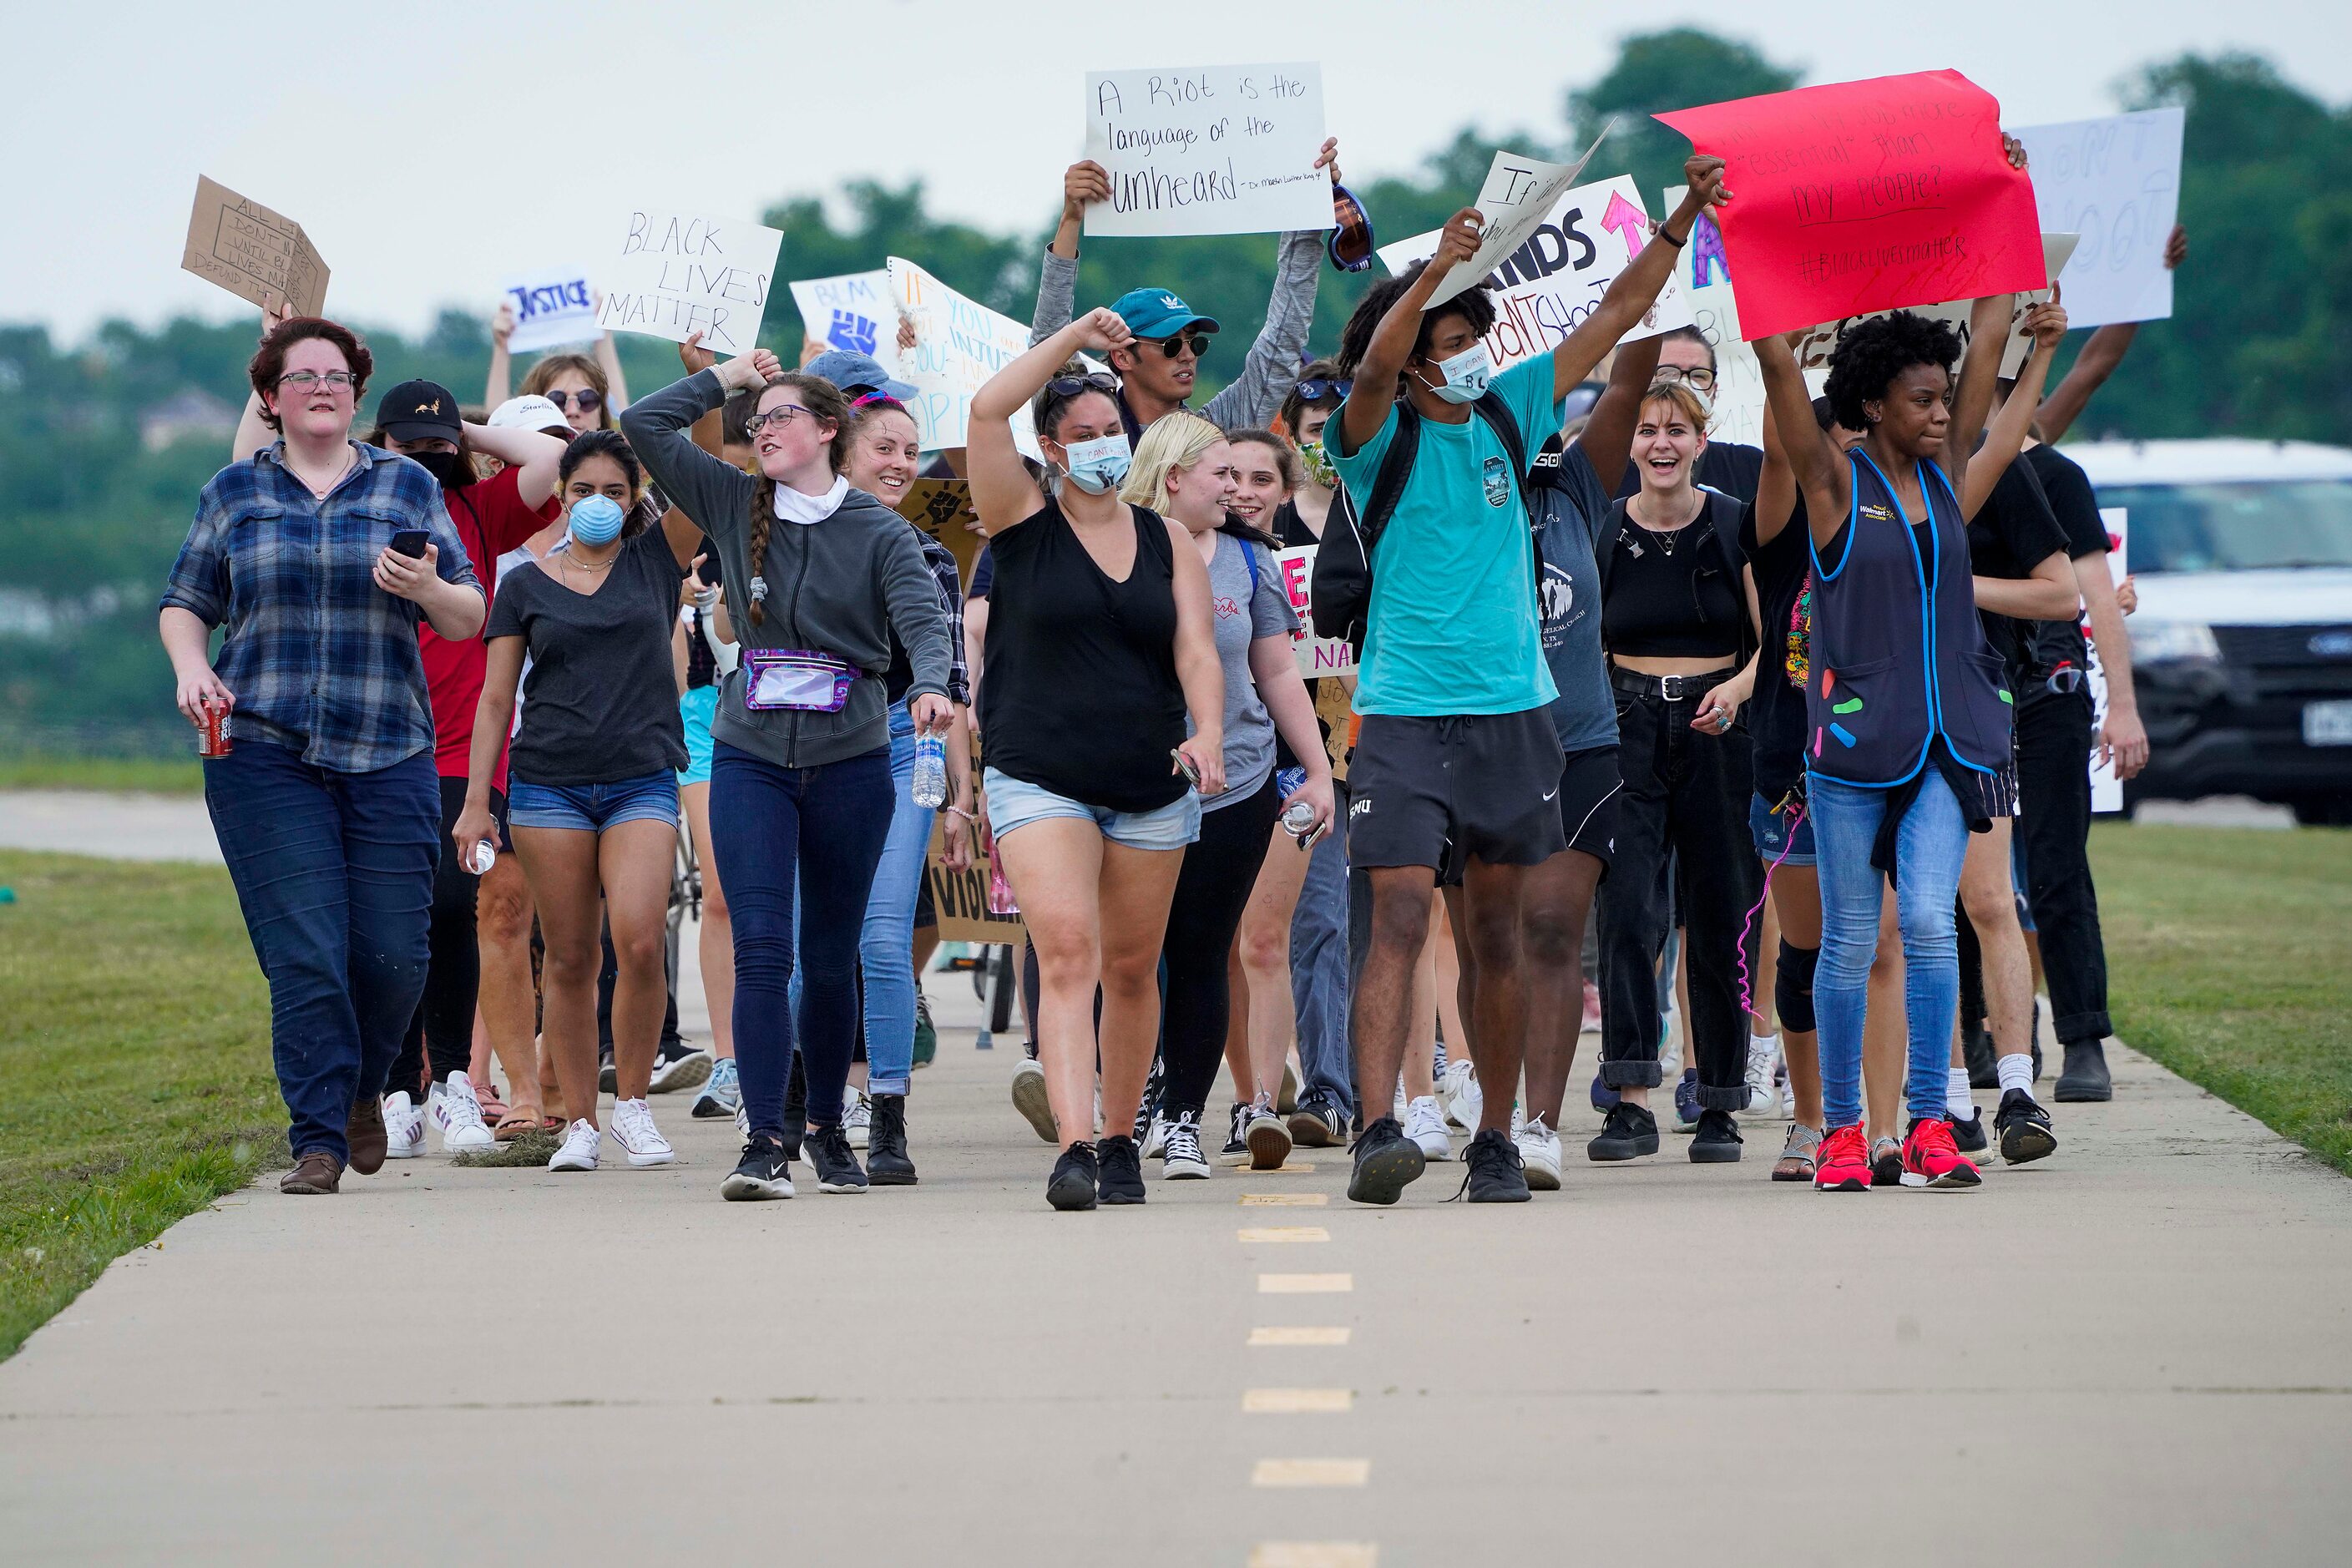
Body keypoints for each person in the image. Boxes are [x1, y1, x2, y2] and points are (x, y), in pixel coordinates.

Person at [1323, 154, 1730, 1206]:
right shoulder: (1375, 437)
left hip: (1516, 716)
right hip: (1407, 715)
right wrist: (1433, 275)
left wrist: (1685, 215)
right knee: (1402, 918)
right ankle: (1378, 1132)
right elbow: (1369, 371)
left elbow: (1626, 310)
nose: (1461, 357)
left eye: (1470, 340)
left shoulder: (1514, 409)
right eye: (1442, 345)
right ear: (1412, 356)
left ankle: (1498, 1139)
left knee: (1497, 934)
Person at [161, 314, 486, 1196]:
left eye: (335, 376)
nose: (319, 388)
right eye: (300, 376)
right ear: (269, 398)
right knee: (305, 954)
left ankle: (362, 1087)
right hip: (262, 753)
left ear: (355, 393)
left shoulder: (406, 487)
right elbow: (187, 601)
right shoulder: (234, 492)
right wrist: (194, 667)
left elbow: (469, 613)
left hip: (388, 752)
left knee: (393, 957)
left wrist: (427, 587)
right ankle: (318, 1139)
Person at [1752, 263, 2060, 1192]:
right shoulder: (1831, 483)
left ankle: (1930, 1123)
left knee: (1928, 921)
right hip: (1852, 746)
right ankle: (1844, 1131)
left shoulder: (1948, 473)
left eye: (1942, 397)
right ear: (1874, 405)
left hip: (1945, 742)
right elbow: (1774, 368)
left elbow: (1989, 336)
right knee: (1851, 938)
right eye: (1920, 398)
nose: (1939, 411)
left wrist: (2006, 215)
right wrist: (1740, 241)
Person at [621, 356, 954, 1203]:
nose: (762, 428)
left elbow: (923, 620)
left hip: (850, 762)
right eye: (754, 418)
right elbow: (644, 429)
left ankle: (830, 1132)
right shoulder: (737, 503)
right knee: (764, 948)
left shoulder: (880, 530)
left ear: (828, 430)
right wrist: (726, 377)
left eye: (780, 416)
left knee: (833, 955)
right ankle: (764, 1140)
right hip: (750, 759)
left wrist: (931, 688)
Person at [965, 311, 1227, 1210]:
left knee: (1130, 966)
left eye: (1111, 431)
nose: (1102, 447)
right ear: (1051, 448)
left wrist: (1208, 732)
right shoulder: (1019, 524)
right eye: (1082, 436)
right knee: (1068, 952)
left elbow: (1196, 650)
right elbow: (986, 406)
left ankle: (1122, 1138)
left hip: (1151, 782)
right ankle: (1074, 1144)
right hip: (1039, 772)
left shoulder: (1167, 543)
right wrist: (1075, 334)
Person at [455, 431, 703, 1173]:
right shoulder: (524, 584)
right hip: (547, 787)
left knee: (636, 940)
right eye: (584, 490)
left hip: (641, 778)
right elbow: (497, 699)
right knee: (567, 957)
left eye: (616, 492)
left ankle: (632, 1106)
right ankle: (581, 1125)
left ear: (635, 501)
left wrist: (709, 387)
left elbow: (703, 475)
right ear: (560, 497)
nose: (600, 504)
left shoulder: (655, 561)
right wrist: (476, 803)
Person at [1127, 416, 1333, 1180]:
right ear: (1174, 476)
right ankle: (1133, 1100)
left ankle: (1183, 1117)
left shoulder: (1250, 559)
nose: (1235, 487)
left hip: (1237, 782)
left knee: (1203, 953)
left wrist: (1312, 768)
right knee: (1133, 956)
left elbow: (1277, 672)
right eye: (1220, 472)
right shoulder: (1119, 547)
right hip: (1134, 786)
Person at [789, 357, 977, 1184]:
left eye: (912, 449)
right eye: (884, 448)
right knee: (806, 944)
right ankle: (802, 1110)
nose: (902, 462)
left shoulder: (934, 558)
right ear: (841, 451)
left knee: (881, 932)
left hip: (901, 748)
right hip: (799, 751)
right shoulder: (783, 537)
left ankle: (890, 1119)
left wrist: (956, 783)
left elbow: (951, 685)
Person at [1586, 377, 1764, 1166]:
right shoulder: (1604, 528)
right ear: (1631, 443)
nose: (1660, 443)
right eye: (1648, 429)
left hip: (1716, 722)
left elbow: (1777, 639)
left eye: (1676, 430)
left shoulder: (1733, 524)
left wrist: (1736, 687)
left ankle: (1719, 1099)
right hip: (1626, 722)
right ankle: (1629, 1095)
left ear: (1700, 439)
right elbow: (1579, 635)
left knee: (1720, 915)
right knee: (1628, 912)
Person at [1237, 375, 1359, 1147]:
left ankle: (1329, 1089)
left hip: (1332, 756)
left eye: (1335, 427)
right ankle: (1242, 1093)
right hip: (1237, 760)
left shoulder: (1369, 525)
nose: (1323, 442)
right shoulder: (1235, 541)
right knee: (1244, 939)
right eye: (1311, 427)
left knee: (1322, 926)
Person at [1030, 142, 1340, 432]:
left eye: (1195, 343)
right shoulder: (1084, 433)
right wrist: (1071, 219)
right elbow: (1045, 355)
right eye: (1171, 346)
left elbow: (1282, 341)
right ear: (1123, 357)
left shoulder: (1215, 430)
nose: (1188, 355)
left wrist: (1307, 208)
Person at [1614, 325, 1765, 502]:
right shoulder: (1610, 476)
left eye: (1699, 375)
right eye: (1667, 372)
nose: (1683, 384)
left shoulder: (1750, 467)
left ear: (1714, 391)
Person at [486, 295, 630, 435]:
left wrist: (603, 334)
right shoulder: (520, 459)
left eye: (587, 400)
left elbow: (623, 415)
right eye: (557, 401)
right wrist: (501, 348)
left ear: (602, 414)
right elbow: (495, 430)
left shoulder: (620, 455)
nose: (573, 411)